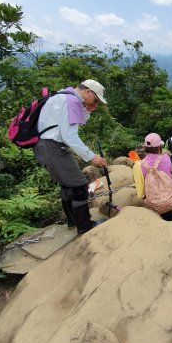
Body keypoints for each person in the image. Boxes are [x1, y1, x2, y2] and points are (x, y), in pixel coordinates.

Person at [33, 79, 108, 235]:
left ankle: (72, 222)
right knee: (80, 185)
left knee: (68, 184)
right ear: (88, 92)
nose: (96, 102)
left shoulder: (63, 95)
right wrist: (92, 157)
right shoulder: (72, 101)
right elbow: (70, 136)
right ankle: (85, 226)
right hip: (52, 147)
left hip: (47, 146)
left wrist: (87, 109)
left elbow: (74, 125)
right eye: (96, 99)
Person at [133, 133, 172, 222]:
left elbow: (140, 193)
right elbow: (169, 176)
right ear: (159, 147)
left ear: (145, 148)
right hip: (170, 197)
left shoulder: (138, 165)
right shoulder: (166, 158)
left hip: (152, 201)